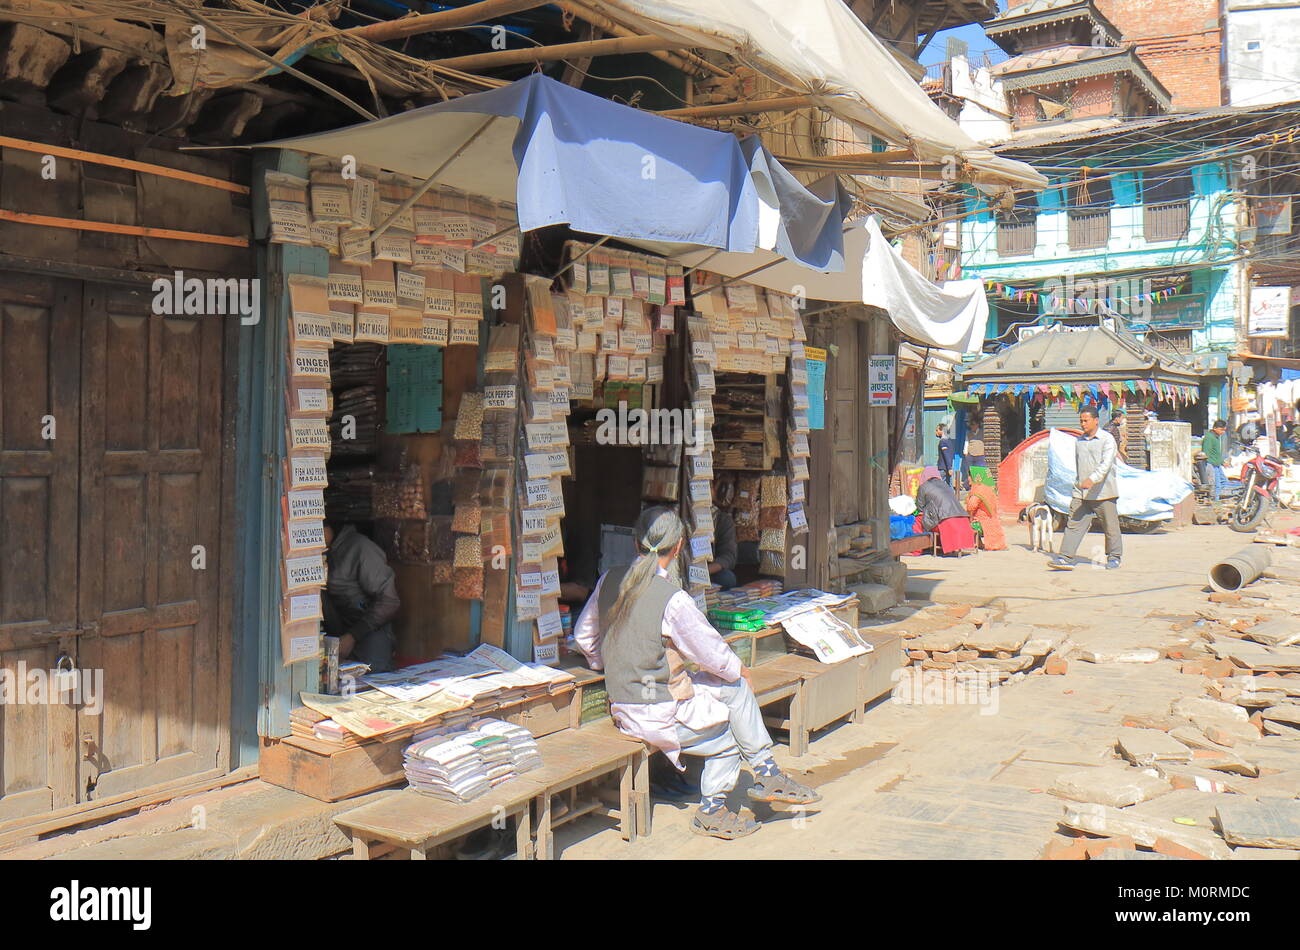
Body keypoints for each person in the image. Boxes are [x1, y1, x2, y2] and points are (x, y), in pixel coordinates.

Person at [574, 507, 820, 839]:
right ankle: (713, 811)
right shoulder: (672, 600)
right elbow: (709, 651)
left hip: (624, 701)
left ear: (635, 544)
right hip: (656, 711)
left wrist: (607, 663)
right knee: (730, 736)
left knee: (733, 689)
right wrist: (740, 668)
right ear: (678, 548)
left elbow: (584, 637)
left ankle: (767, 772)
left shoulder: (608, 580)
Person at [1050, 406, 1122, 571]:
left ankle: (1114, 557)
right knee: (1074, 524)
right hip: (1082, 492)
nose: (1082, 424)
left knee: (1110, 526)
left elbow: (1106, 464)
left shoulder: (1107, 439)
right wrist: (1079, 484)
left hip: (1104, 492)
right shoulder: (1079, 441)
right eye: (1081, 421)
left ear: (1096, 421)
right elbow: (1078, 465)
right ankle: (1065, 557)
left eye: (1085, 420)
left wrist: (1092, 479)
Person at [322, 521, 400, 673]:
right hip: (338, 631)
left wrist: (352, 636)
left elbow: (389, 601)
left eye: (318, 530)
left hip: (369, 630)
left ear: (330, 526)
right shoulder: (325, 553)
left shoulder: (361, 548)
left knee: (373, 680)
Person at [916, 466, 976, 554]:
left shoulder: (923, 487)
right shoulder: (945, 485)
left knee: (918, 520)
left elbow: (919, 507)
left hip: (944, 520)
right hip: (962, 518)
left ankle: (919, 548)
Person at [963, 475, 1006, 551]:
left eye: (970, 477)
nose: (968, 479)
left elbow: (971, 506)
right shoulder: (988, 488)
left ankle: (970, 543)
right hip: (993, 519)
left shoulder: (977, 490)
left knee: (966, 523)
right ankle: (980, 543)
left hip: (982, 521)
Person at [709, 484, 739, 590]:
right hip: (685, 569)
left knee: (727, 579)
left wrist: (706, 571)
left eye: (709, 487)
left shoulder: (722, 520)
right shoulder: (683, 515)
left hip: (709, 571)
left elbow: (728, 556)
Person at [1202, 419, 1229, 504]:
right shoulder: (1209, 437)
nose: (1223, 432)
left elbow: (1216, 453)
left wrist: (1222, 462)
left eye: (1224, 430)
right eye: (1221, 430)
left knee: (1224, 481)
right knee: (1216, 485)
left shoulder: (1216, 438)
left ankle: (1219, 499)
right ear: (1215, 428)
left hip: (1217, 464)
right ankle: (1216, 502)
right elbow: (1206, 453)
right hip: (1212, 464)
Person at [961, 416, 986, 490]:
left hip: (980, 455)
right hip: (971, 455)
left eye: (973, 424)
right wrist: (965, 453)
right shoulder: (969, 434)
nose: (972, 426)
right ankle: (971, 487)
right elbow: (966, 443)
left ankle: (979, 487)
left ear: (977, 425)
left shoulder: (982, 433)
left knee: (979, 471)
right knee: (970, 472)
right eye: (971, 425)